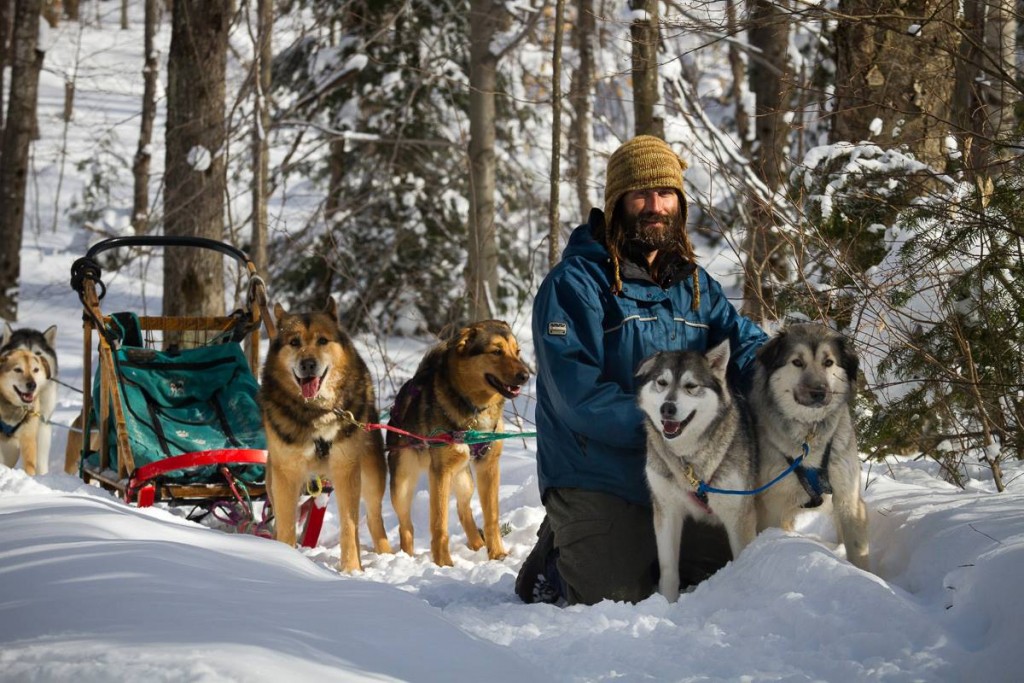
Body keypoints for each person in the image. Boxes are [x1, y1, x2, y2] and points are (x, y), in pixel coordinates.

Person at [515, 135, 768, 606]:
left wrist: (783, 378)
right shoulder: (574, 285)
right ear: (617, 203)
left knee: (724, 577)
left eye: (666, 193)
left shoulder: (695, 286)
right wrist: (672, 428)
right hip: (599, 474)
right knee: (615, 596)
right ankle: (557, 551)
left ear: (680, 204)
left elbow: (743, 347)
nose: (655, 206)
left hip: (686, 473)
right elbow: (578, 396)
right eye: (641, 194)